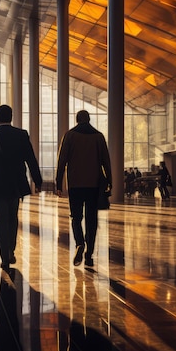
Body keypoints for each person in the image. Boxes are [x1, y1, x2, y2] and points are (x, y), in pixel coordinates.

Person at [0, 104, 42, 270]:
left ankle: (4, 257)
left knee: (1, 220)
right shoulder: (21, 135)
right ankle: (11, 250)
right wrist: (37, 180)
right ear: (11, 116)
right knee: (13, 218)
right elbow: (30, 158)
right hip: (15, 184)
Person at [55, 110, 111, 268]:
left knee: (76, 217)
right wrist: (110, 182)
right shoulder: (98, 136)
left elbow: (62, 161)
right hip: (93, 185)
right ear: (89, 119)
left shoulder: (70, 136)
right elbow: (106, 161)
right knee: (92, 220)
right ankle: (89, 255)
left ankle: (80, 243)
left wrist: (59, 183)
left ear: (77, 120)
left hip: (75, 184)